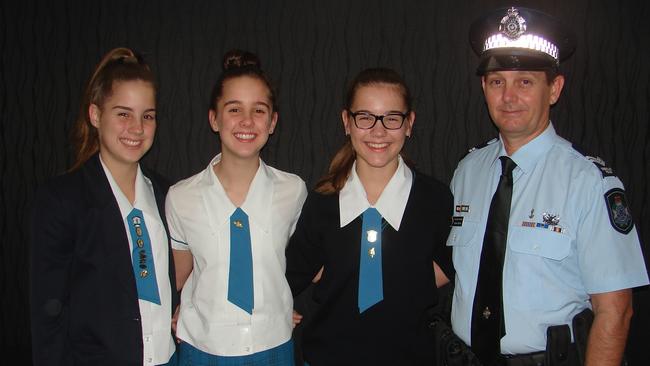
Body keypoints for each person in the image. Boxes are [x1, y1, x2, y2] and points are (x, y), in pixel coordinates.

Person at [448, 6, 650, 366]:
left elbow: (615, 313)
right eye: (497, 82)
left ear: (554, 88)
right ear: (484, 87)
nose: (509, 97)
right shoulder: (468, 171)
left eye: (525, 82)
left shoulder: (587, 183)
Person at [286, 68, 454, 365]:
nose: (379, 131)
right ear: (346, 122)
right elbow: (288, 274)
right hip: (329, 357)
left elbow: (453, 267)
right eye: (365, 117)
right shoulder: (323, 202)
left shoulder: (435, 199)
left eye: (392, 118)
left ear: (409, 123)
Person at [30, 47, 178, 366]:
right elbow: (48, 317)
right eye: (123, 113)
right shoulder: (62, 200)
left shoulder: (169, 194)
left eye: (147, 116)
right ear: (96, 115)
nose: (137, 128)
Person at [166, 49, 307, 366]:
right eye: (234, 109)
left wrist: (280, 301)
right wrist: (177, 309)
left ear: (272, 122)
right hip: (202, 349)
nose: (247, 121)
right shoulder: (180, 197)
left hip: (273, 348)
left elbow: (295, 260)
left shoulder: (293, 190)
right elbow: (182, 275)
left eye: (259, 110)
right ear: (214, 119)